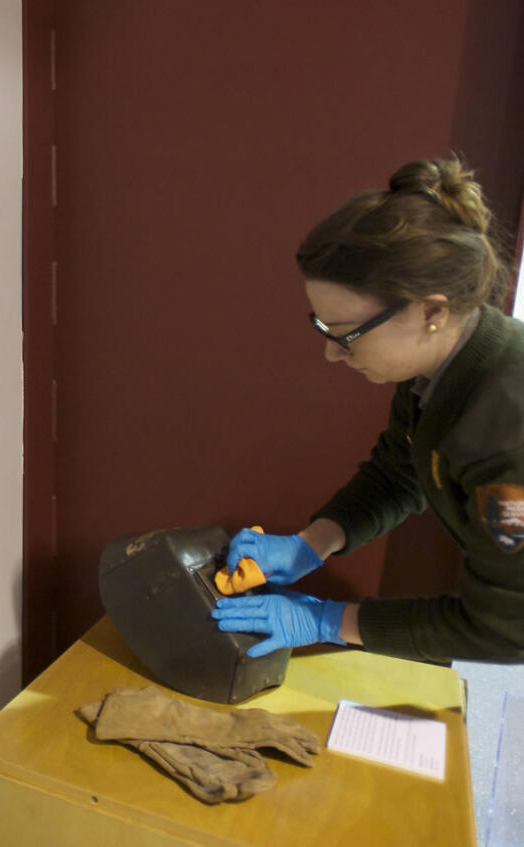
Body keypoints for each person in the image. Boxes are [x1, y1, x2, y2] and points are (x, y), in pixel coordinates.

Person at [212, 157, 524, 663]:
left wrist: (325, 620)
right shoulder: (436, 367)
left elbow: (505, 628)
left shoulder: (508, 430)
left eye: (347, 335)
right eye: (323, 329)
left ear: (431, 311)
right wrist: (313, 542)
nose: (332, 354)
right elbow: (402, 470)